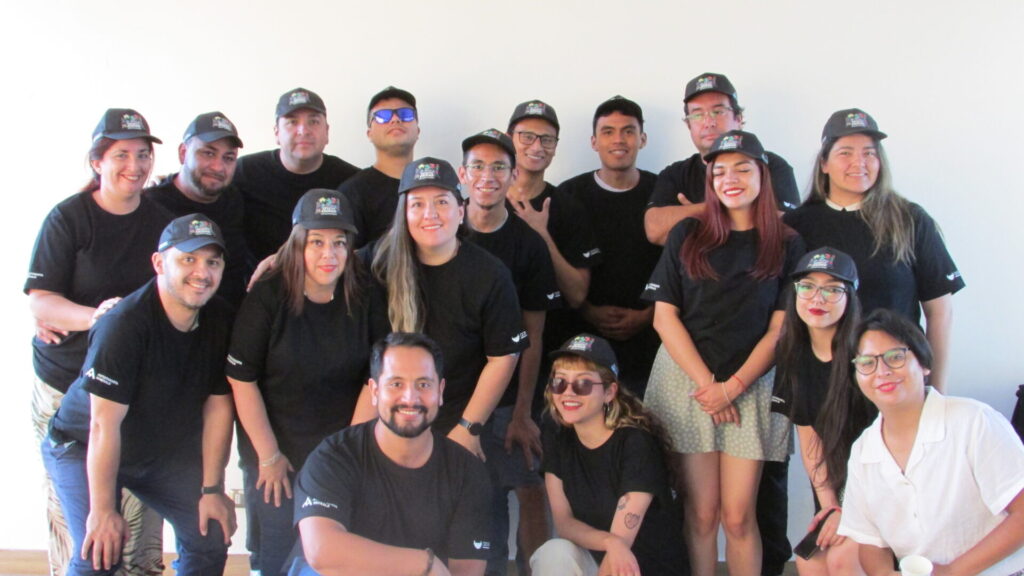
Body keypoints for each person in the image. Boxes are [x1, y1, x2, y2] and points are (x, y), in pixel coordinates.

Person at [642, 130, 803, 576]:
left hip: (751, 386)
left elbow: (780, 329)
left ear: (763, 175)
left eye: (742, 169)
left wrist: (732, 388)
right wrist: (709, 387)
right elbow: (664, 318)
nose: (730, 179)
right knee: (700, 513)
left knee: (738, 516)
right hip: (688, 384)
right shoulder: (688, 233)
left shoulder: (786, 242)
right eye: (720, 172)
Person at [41, 214, 237, 576]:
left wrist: (213, 489)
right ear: (159, 263)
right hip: (82, 444)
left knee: (210, 535)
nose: (202, 272)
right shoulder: (123, 325)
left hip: (152, 450)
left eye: (213, 262)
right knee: (100, 553)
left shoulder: (220, 318)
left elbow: (218, 406)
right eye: (188, 259)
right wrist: (103, 511)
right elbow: (102, 425)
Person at [26, 108, 172, 576]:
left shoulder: (162, 222)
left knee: (137, 523)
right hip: (66, 388)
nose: (135, 164)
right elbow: (41, 301)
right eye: (121, 154)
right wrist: (99, 320)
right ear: (97, 161)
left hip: (134, 391)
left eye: (143, 154)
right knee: (84, 528)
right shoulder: (69, 218)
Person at [226, 189, 389, 576]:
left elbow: (376, 377)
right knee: (275, 553)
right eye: (316, 242)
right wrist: (269, 456)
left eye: (339, 242)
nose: (328, 254)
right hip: (274, 450)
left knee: (335, 552)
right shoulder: (268, 294)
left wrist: (346, 455)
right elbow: (241, 378)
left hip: (339, 446)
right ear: (297, 244)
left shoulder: (366, 294)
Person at [784, 108, 964, 391]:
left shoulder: (910, 220)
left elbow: (940, 312)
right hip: (820, 382)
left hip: (892, 377)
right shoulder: (796, 225)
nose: (859, 162)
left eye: (869, 153)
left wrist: (936, 391)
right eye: (845, 152)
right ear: (824, 163)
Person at [361, 157, 527, 458]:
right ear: (404, 214)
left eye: (441, 202)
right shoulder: (378, 261)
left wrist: (468, 427)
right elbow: (325, 261)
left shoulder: (489, 274)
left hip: (460, 416)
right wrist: (278, 261)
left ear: (460, 211)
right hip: (392, 419)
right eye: (417, 204)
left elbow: (503, 357)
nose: (430, 214)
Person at [839, 309, 1024, 576]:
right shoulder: (863, 451)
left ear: (924, 364)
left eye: (895, 357)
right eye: (867, 363)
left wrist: (951, 571)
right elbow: (870, 541)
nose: (882, 371)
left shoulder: (973, 420)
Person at [292, 332, 492, 576]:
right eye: (396, 384)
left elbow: (466, 571)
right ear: (374, 391)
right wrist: (424, 564)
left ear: (440, 391)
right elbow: (321, 551)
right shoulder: (334, 457)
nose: (410, 398)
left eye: (423, 385)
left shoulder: (467, 472)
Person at [460, 129, 560, 575]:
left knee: (530, 488)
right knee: (473, 500)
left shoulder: (528, 244)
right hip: (454, 394)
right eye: (478, 166)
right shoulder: (439, 226)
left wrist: (522, 412)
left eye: (498, 167)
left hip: (512, 397)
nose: (488, 176)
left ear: (513, 174)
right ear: (463, 173)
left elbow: (533, 335)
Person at [530, 333, 686, 576]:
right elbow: (565, 523)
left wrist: (614, 544)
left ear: (609, 392)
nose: (568, 392)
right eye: (559, 382)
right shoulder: (558, 437)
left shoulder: (635, 443)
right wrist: (608, 542)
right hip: (603, 558)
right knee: (554, 553)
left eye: (583, 384)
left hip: (642, 567)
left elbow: (622, 545)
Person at [771, 247, 875, 576]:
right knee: (809, 560)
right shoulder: (793, 355)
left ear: (850, 297)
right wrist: (830, 505)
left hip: (884, 487)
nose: (818, 298)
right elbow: (811, 441)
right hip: (837, 486)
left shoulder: (868, 353)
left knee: (843, 560)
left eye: (832, 289)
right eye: (807, 287)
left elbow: (894, 443)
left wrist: (850, 508)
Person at [555, 96, 663, 397]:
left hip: (652, 345)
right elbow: (554, 269)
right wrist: (588, 311)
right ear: (594, 141)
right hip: (580, 346)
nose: (619, 140)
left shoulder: (662, 192)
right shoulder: (568, 195)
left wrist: (648, 315)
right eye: (608, 131)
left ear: (642, 139)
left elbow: (680, 265)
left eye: (628, 131)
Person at [644, 72, 800, 246]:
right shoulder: (676, 174)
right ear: (689, 125)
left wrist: (693, 216)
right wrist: (720, 207)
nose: (709, 122)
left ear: (738, 119)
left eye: (718, 112)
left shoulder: (769, 165)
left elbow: (788, 227)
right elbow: (655, 231)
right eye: (697, 115)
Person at [236, 87, 359, 263]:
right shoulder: (244, 172)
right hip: (257, 278)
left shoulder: (351, 181)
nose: (303, 130)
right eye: (292, 122)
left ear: (327, 132)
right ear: (277, 133)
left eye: (313, 122)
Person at [145, 111, 250, 307]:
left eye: (228, 158)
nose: (218, 167)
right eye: (208, 153)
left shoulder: (236, 198)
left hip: (233, 318)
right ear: (183, 153)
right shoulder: (151, 205)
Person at [339, 86, 420, 249]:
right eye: (383, 116)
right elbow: (346, 257)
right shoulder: (353, 193)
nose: (395, 120)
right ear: (369, 133)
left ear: (418, 130)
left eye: (405, 114)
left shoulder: (435, 184)